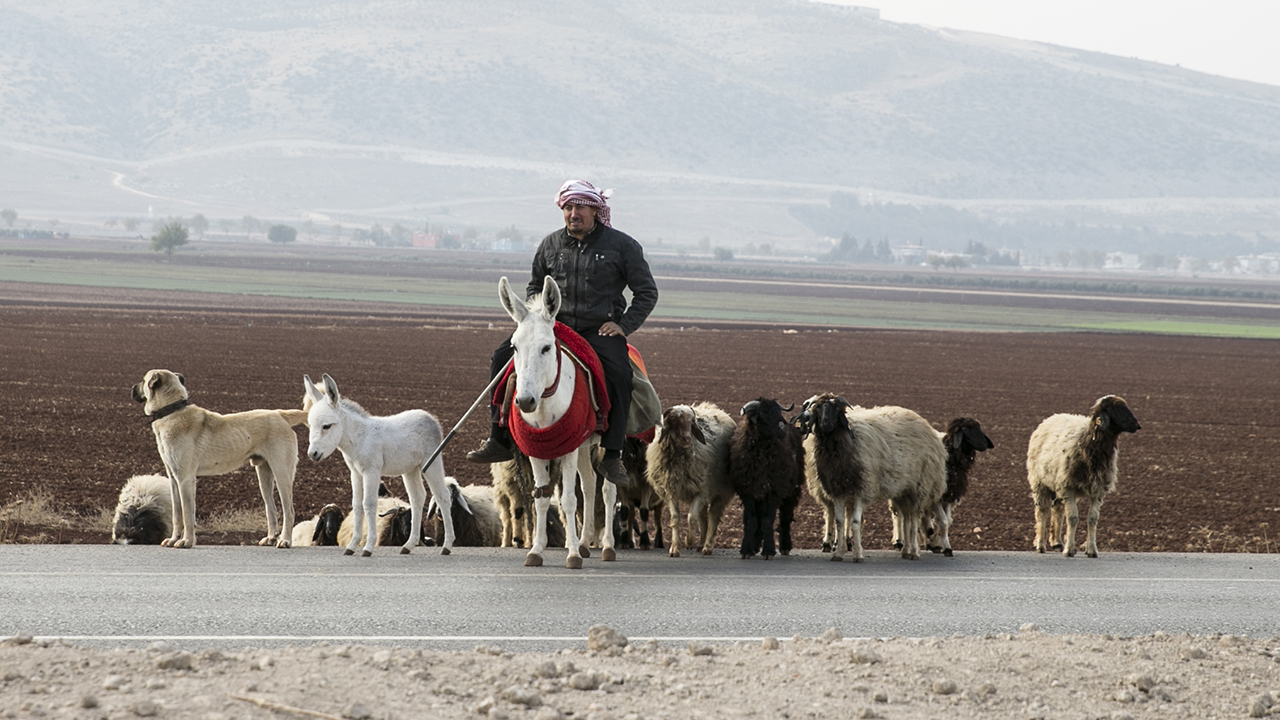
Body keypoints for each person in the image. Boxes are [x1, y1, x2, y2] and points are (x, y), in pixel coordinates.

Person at [466, 180, 659, 487]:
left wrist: (623, 326)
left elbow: (647, 292)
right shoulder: (550, 245)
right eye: (568, 207)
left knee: (621, 374)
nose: (573, 214)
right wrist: (536, 318)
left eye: (580, 207)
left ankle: (612, 454)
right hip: (556, 327)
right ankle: (499, 436)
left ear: (595, 210)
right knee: (502, 355)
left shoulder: (622, 246)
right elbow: (534, 286)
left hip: (600, 330)